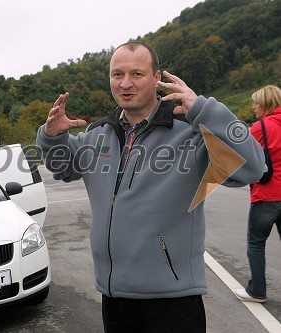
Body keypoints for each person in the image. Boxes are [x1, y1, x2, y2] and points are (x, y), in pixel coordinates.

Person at [36, 41, 265, 332]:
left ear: (157, 78)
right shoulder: (99, 133)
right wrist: (52, 137)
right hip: (114, 295)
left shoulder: (191, 134)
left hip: (172, 300)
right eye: (117, 74)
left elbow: (253, 167)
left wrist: (205, 111)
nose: (125, 83)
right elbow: (63, 168)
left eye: (137, 74)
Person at [235, 85, 281, 303]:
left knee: (256, 244)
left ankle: (257, 291)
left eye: (256, 103)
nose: (254, 107)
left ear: (266, 104)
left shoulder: (259, 127)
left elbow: (241, 155)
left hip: (266, 196)